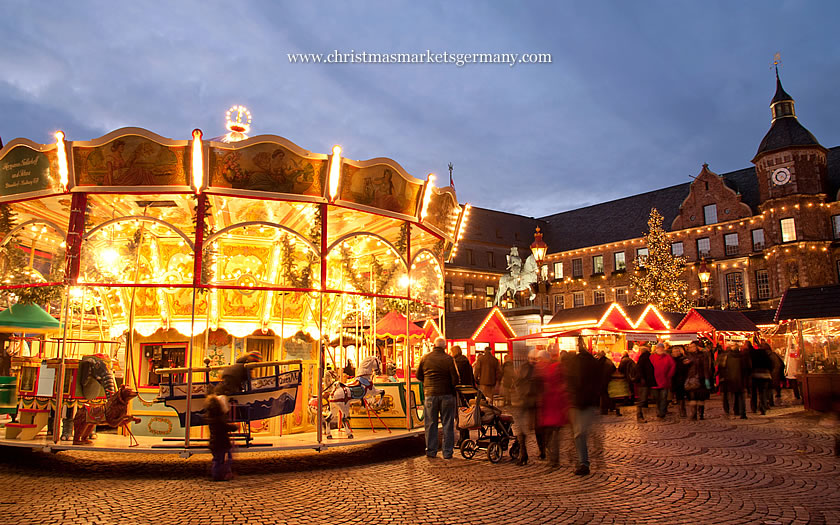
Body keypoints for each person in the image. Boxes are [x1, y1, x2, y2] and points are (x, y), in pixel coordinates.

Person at [566, 337, 604, 476]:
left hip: (578, 402)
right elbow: (600, 381)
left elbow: (569, 380)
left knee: (579, 433)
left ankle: (584, 461)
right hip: (587, 402)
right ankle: (586, 460)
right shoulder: (593, 362)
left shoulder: (574, 363)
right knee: (581, 432)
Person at [416, 336, 459, 459]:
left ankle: (431, 451)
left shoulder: (425, 358)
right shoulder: (449, 359)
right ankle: (447, 452)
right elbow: (455, 379)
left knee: (430, 423)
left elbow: (419, 375)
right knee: (447, 423)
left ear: (434, 346)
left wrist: (428, 382)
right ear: (445, 346)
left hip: (430, 394)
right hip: (447, 395)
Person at [536, 346, 569, 469]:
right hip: (549, 409)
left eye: (540, 359)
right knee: (549, 435)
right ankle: (553, 457)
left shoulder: (553, 369)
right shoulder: (545, 370)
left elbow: (560, 386)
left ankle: (554, 459)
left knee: (552, 435)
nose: (539, 361)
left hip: (554, 407)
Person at [512, 350, 540, 466]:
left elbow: (517, 382)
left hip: (524, 401)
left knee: (522, 428)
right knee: (534, 427)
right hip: (532, 401)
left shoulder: (523, 368)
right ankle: (539, 450)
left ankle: (523, 452)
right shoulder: (539, 370)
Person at [205, 393, 237, 481]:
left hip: (214, 443)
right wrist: (234, 427)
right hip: (221, 442)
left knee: (218, 459)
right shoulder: (218, 418)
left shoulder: (210, 416)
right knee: (222, 459)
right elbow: (224, 427)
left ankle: (222, 473)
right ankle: (218, 475)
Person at [450, 345, 474, 446]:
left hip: (459, 392)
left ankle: (463, 437)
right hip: (468, 391)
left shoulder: (456, 363)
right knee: (465, 413)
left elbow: (455, 378)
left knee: (459, 414)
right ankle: (465, 436)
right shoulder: (466, 362)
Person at [684, 341, 712, 420]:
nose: (691, 348)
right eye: (690, 346)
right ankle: (693, 414)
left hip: (701, 378)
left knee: (700, 398)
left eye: (693, 346)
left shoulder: (702, 355)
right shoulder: (688, 356)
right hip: (691, 378)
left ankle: (701, 414)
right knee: (692, 397)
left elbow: (706, 368)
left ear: (696, 347)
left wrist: (707, 378)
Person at [650, 343, 675, 420]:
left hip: (665, 381)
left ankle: (662, 413)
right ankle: (659, 410)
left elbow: (672, 366)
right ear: (656, 349)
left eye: (661, 348)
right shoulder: (652, 357)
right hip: (654, 382)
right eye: (659, 348)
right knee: (656, 398)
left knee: (664, 398)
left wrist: (669, 375)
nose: (660, 349)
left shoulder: (668, 357)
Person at [748, 339, 771, 415]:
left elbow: (750, 365)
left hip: (755, 375)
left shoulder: (753, 355)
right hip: (765, 376)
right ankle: (763, 408)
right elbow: (771, 365)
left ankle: (754, 408)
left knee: (754, 393)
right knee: (763, 393)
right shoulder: (766, 355)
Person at [633, 345, 656, 422]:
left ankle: (640, 416)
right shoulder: (648, 358)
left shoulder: (642, 358)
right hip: (648, 381)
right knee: (644, 399)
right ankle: (639, 416)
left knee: (642, 399)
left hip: (644, 381)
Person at [670, 346, 690, 418]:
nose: (676, 353)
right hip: (674, 380)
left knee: (681, 396)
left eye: (677, 351)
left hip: (682, 379)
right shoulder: (670, 360)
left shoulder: (683, 359)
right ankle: (681, 410)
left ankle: (683, 411)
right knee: (678, 396)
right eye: (674, 352)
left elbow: (687, 368)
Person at [597, 351, 618, 416]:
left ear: (599, 356)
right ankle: (611, 407)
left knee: (603, 395)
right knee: (608, 394)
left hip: (603, 380)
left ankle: (604, 409)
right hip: (608, 379)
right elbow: (614, 368)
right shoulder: (608, 361)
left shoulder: (600, 362)